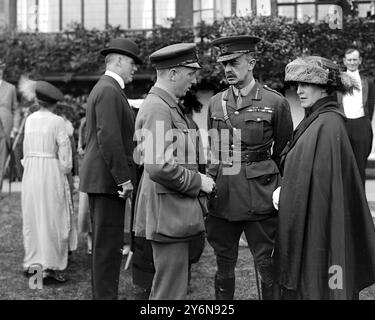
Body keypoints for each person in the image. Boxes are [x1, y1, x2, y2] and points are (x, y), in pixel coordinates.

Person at [274, 56, 375, 300]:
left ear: (325, 87)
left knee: (326, 283)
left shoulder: (329, 125)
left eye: (305, 84)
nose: (298, 90)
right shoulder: (316, 119)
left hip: (319, 228)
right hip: (309, 223)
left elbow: (327, 192)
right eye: (296, 84)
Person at [206, 35, 293, 300]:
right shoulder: (216, 103)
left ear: (252, 62)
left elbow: (283, 151)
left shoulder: (274, 102)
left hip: (260, 193)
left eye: (234, 62)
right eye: (224, 64)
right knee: (224, 261)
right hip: (225, 195)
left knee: (266, 262)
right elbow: (217, 149)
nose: (228, 69)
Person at [133, 43, 215, 300]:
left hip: (172, 211)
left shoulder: (167, 106)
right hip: (168, 214)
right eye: (190, 74)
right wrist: (197, 181)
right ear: (173, 73)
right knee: (169, 292)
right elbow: (158, 165)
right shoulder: (158, 107)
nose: (194, 80)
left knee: (172, 287)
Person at [79, 38, 141, 300]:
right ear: (117, 61)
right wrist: (124, 180)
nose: (135, 68)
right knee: (107, 248)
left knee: (108, 246)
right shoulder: (108, 89)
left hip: (105, 181)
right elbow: (109, 138)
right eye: (132, 63)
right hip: (108, 182)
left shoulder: (108, 89)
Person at [22, 81, 73, 283]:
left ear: (38, 100)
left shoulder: (30, 120)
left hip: (32, 171)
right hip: (51, 170)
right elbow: (65, 155)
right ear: (55, 103)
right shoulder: (57, 121)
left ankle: (34, 267)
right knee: (52, 216)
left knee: (34, 215)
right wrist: (66, 169)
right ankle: (52, 266)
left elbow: (26, 149)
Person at [337, 48, 375, 185]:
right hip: (343, 124)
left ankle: (360, 203)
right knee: (342, 164)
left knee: (360, 166)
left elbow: (370, 104)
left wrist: (366, 122)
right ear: (344, 61)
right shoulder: (338, 81)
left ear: (360, 61)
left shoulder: (368, 82)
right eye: (349, 60)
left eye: (355, 59)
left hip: (361, 125)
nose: (352, 62)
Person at [0, 59, 20, 194]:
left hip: (5, 127)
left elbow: (16, 109)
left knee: (2, 158)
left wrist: (15, 128)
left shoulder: (10, 88)